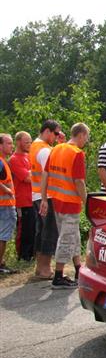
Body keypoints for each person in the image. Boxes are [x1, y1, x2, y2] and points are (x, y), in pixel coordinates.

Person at [40, 123, 90, 289]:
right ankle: (59, 275)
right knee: (66, 239)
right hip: (70, 202)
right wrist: (86, 201)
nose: (86, 141)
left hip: (57, 200)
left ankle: (78, 268)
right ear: (81, 135)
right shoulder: (77, 153)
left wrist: (44, 198)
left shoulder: (56, 148)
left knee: (73, 235)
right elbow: (79, 182)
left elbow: (45, 174)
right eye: (86, 137)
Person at [30, 119, 61, 279]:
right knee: (49, 231)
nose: (57, 136)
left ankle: (39, 266)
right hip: (46, 196)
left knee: (41, 230)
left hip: (36, 194)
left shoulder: (35, 146)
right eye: (56, 133)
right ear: (47, 131)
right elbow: (47, 174)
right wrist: (44, 198)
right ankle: (44, 268)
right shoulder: (44, 150)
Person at [9, 131, 35, 262]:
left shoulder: (28, 156)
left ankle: (31, 253)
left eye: (30, 142)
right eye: (26, 142)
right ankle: (23, 254)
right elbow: (27, 178)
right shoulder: (14, 159)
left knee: (33, 228)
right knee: (24, 228)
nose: (29, 144)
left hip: (33, 199)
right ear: (18, 142)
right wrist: (35, 172)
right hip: (22, 200)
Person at [0, 134, 17, 274]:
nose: (12, 146)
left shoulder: (3, 161)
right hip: (4, 205)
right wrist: (6, 189)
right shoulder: (0, 161)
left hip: (5, 204)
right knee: (3, 236)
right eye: (9, 143)